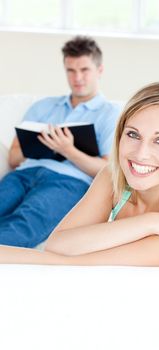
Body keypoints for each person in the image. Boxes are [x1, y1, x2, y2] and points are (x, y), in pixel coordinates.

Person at [0, 81, 159, 266]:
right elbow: (58, 245)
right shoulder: (114, 177)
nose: (141, 154)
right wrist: (154, 222)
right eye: (133, 135)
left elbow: (74, 263)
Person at [0, 35, 121, 248]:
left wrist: (67, 150)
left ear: (99, 70)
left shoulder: (111, 114)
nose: (78, 78)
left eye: (84, 70)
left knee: (24, 225)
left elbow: (108, 170)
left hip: (68, 182)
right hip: (23, 175)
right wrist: (41, 143)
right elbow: (13, 158)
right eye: (71, 71)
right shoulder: (43, 107)